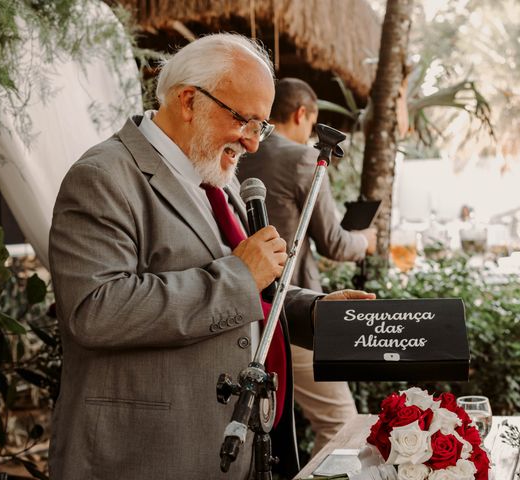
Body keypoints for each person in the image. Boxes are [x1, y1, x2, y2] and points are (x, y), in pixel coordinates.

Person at [48, 34, 374, 480]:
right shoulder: (102, 177)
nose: (254, 144)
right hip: (144, 455)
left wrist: (313, 313)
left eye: (262, 126)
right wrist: (240, 274)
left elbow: (252, 287)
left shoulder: (215, 178)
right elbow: (97, 310)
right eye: (246, 121)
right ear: (188, 101)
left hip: (225, 450)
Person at [238, 78, 377, 456]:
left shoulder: (234, 151)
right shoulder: (303, 158)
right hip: (290, 313)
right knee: (340, 424)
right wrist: (366, 240)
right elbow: (334, 242)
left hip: (237, 311)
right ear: (303, 114)